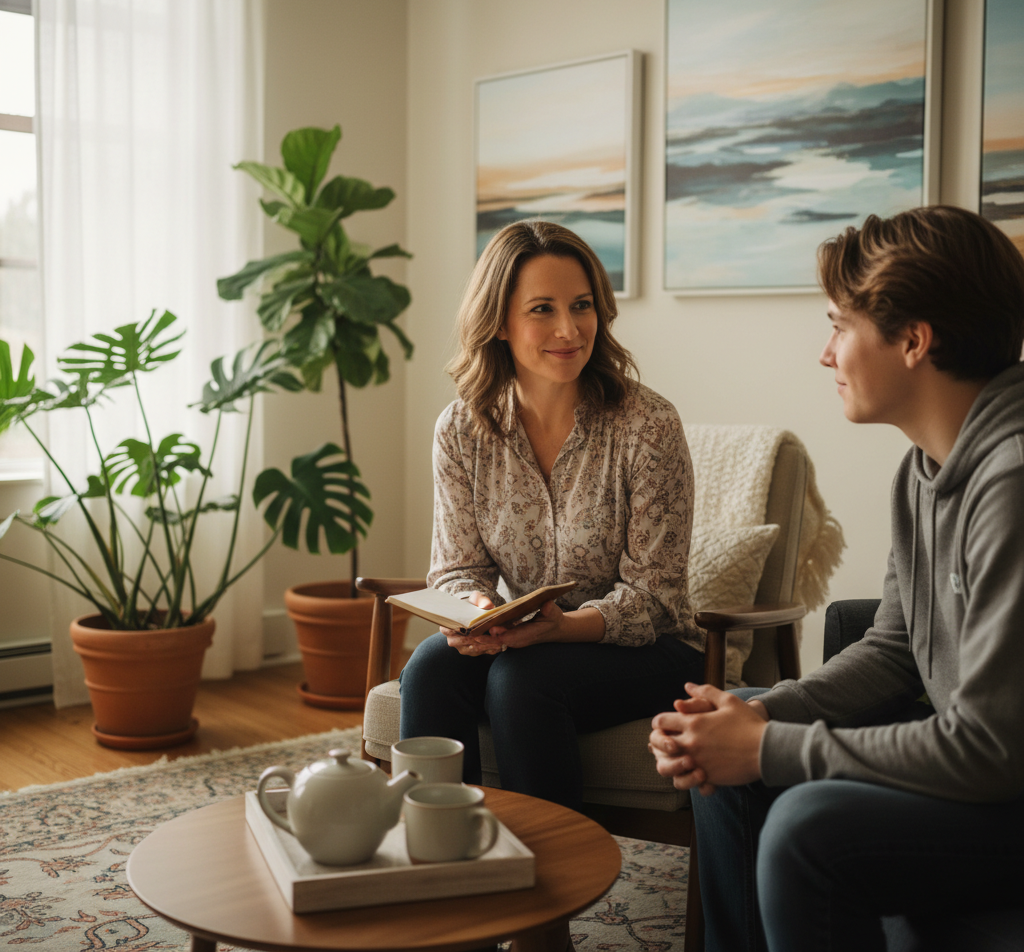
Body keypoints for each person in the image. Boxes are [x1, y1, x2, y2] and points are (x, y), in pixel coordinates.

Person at [648, 205, 1024, 952]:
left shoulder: (1012, 481)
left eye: (839, 326)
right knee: (737, 737)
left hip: (1004, 786)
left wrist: (767, 746)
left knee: (804, 825)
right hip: (985, 770)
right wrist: (752, 718)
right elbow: (893, 650)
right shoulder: (922, 470)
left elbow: (989, 749)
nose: (826, 355)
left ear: (913, 341)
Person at [400, 219, 705, 812]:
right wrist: (477, 611)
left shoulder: (648, 426)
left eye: (582, 306)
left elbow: (656, 598)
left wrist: (562, 627)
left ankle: (550, 864)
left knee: (524, 680)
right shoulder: (462, 429)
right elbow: (457, 569)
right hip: (529, 639)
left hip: (650, 649)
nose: (569, 329)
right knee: (433, 664)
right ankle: (438, 848)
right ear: (499, 322)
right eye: (543, 309)